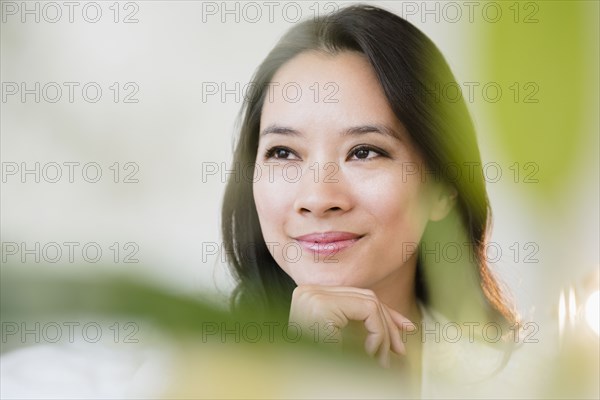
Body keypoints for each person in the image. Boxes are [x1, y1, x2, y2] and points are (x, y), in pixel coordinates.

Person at [221, 4, 539, 397]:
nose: (319, 198)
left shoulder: (535, 384)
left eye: (365, 152)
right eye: (284, 153)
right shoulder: (179, 375)